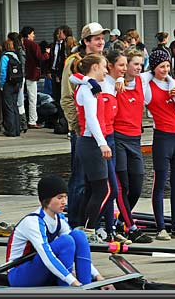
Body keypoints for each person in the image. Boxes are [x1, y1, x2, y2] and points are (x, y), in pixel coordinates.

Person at [7, 175, 113, 288]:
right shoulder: (32, 222)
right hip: (19, 275)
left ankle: (87, 284)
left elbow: (78, 245)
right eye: (59, 198)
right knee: (66, 241)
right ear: (46, 200)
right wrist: (72, 281)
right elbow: (47, 256)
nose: (64, 202)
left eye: (65, 197)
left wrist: (98, 276)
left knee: (79, 235)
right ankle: (67, 288)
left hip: (40, 269)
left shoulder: (59, 219)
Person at [60, 22, 107, 229]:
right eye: (96, 38)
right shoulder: (74, 62)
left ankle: (94, 221)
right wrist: (76, 126)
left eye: (102, 38)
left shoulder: (101, 62)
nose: (101, 41)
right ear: (86, 41)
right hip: (83, 132)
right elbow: (66, 98)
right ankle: (75, 222)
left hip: (100, 131)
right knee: (79, 180)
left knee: (95, 183)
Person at [144, 49, 175, 241]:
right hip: (163, 138)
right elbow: (139, 78)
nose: (165, 70)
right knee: (160, 182)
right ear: (154, 68)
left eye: (167, 66)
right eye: (161, 66)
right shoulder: (148, 86)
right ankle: (161, 227)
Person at [113, 49, 153, 243]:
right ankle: (131, 227)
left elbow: (160, 72)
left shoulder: (142, 80)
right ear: (125, 65)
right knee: (123, 186)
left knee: (137, 185)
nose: (139, 67)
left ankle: (120, 220)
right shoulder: (114, 83)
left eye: (140, 64)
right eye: (135, 64)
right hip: (118, 137)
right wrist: (118, 80)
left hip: (135, 139)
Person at [72, 54, 111, 237]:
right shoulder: (87, 89)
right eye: (104, 67)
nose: (106, 70)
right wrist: (102, 144)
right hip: (91, 142)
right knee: (103, 189)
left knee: (91, 189)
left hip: (88, 142)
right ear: (94, 67)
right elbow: (91, 119)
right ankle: (89, 229)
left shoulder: (88, 85)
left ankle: (82, 228)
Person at [21, 26, 50, 129]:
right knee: (32, 98)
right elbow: (39, 58)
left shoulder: (20, 43)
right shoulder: (33, 44)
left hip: (20, 74)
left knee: (19, 98)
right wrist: (47, 54)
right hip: (32, 74)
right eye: (32, 33)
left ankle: (20, 120)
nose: (34, 35)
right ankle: (32, 121)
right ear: (28, 34)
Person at [0, 39, 23, 137]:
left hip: (8, 84)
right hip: (16, 84)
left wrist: (1, 84)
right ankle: (17, 129)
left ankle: (10, 130)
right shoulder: (16, 56)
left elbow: (3, 72)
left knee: (8, 107)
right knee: (15, 106)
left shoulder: (5, 57)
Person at [8, 32, 28, 133]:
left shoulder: (19, 50)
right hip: (19, 78)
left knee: (19, 101)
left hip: (19, 78)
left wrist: (20, 81)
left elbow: (22, 65)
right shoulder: (20, 49)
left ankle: (22, 123)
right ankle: (22, 124)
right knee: (19, 101)